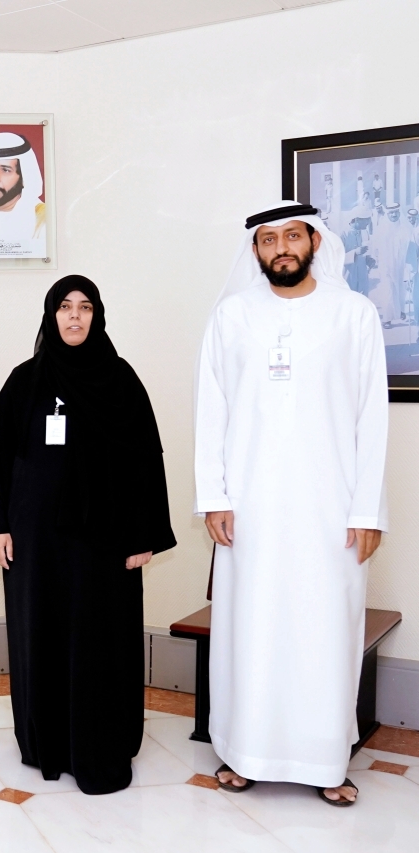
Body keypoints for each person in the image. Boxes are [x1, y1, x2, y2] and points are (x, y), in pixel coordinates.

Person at [196, 201, 387, 807]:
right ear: (255, 250)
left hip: (331, 511)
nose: (281, 248)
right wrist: (214, 496)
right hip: (249, 509)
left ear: (314, 242)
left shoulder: (353, 314)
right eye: (268, 239)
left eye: (292, 236)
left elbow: (372, 419)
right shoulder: (232, 316)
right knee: (251, 630)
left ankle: (325, 761)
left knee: (324, 630)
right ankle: (244, 753)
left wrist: (367, 510)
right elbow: (211, 410)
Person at [0, 275, 176, 795]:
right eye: (65, 307)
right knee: (42, 635)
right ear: (51, 315)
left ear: (97, 316)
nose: (74, 316)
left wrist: (143, 535)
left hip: (104, 543)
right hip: (35, 543)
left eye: (85, 307)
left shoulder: (121, 380)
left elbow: (147, 462)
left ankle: (102, 739)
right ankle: (43, 740)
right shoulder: (24, 381)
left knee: (100, 640)